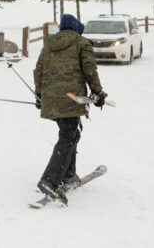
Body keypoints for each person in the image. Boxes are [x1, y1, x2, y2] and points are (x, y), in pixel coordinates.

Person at [33, 13, 107, 204]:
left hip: (51, 98)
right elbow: (90, 69)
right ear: (76, 29)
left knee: (71, 133)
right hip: (71, 98)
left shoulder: (49, 44)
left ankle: (68, 175)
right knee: (68, 135)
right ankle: (50, 180)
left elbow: (38, 70)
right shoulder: (81, 43)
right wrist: (97, 93)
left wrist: (39, 94)